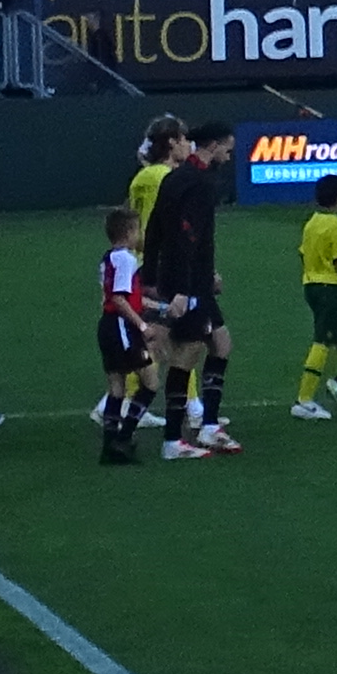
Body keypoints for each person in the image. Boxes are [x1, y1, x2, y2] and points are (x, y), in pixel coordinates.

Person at [142, 122, 240, 454]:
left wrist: (150, 277)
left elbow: (154, 227)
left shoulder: (175, 177)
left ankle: (210, 425)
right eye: (228, 147)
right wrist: (183, 289)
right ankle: (173, 439)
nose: (230, 153)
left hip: (191, 278)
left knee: (221, 343)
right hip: (187, 282)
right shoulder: (199, 183)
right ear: (213, 145)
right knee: (188, 352)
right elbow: (186, 237)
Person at [286, 174, 337, 424]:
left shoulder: (311, 223)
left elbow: (301, 254)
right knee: (323, 340)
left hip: (312, 284)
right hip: (332, 288)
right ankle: (304, 398)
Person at [96, 204, 159, 465]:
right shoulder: (127, 258)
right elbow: (120, 300)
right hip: (121, 325)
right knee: (151, 382)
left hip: (107, 325)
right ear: (130, 231)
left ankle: (111, 447)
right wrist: (143, 327)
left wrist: (162, 308)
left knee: (117, 387)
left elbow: (129, 297)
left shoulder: (108, 257)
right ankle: (123, 437)